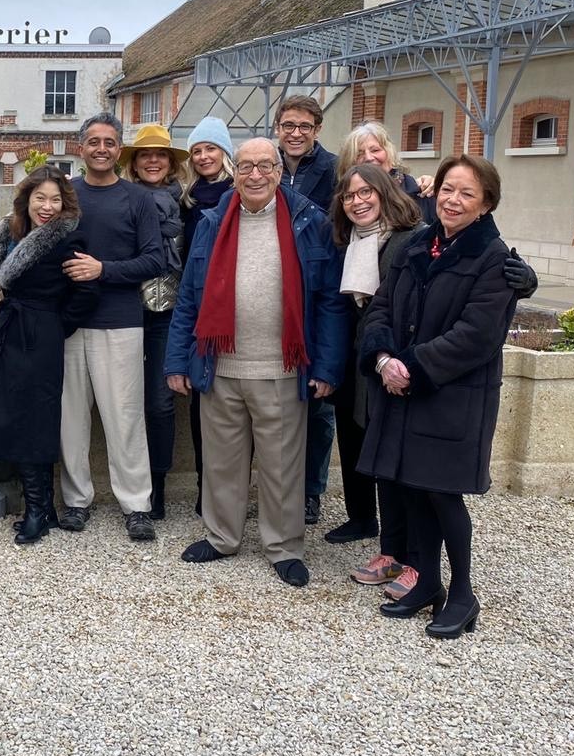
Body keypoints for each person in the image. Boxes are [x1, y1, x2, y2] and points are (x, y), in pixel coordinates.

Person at [165, 138, 350, 588]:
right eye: (246, 166)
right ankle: (222, 536)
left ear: (278, 170)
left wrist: (326, 367)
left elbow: (328, 301)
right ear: (235, 169)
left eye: (264, 165)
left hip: (283, 369)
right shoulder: (212, 221)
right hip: (219, 366)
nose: (255, 175)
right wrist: (176, 360)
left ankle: (284, 547)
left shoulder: (309, 222)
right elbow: (188, 296)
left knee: (282, 465)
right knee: (222, 462)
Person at [358, 153, 519, 638]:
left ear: (486, 203)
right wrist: (385, 359)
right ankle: (426, 582)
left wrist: (414, 366)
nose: (453, 199)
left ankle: (463, 594)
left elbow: (476, 335)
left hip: (453, 397)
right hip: (403, 389)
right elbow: (381, 308)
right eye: (448, 188)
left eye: (467, 193)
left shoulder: (494, 261)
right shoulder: (417, 246)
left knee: (443, 497)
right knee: (411, 488)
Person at [58, 112, 166, 541]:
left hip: (121, 322)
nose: (101, 148)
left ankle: (136, 504)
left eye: (109, 142)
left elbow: (155, 260)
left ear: (119, 150)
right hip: (68, 324)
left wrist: (103, 269)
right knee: (71, 418)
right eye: (93, 141)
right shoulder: (65, 197)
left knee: (125, 418)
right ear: (80, 147)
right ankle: (75, 499)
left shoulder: (137, 199)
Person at [0, 167, 97, 544]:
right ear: (26, 200)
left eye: (55, 199)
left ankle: (36, 510)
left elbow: (85, 292)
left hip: (40, 334)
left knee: (35, 417)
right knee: (12, 412)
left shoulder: (68, 238)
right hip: (12, 332)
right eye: (40, 198)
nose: (47, 207)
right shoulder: (15, 232)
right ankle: (42, 506)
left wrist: (53, 325)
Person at [322, 165, 426, 567]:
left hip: (391, 359)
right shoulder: (350, 241)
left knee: (388, 453)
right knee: (352, 438)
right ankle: (363, 519)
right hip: (355, 354)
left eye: (366, 192)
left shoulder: (408, 240)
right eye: (349, 196)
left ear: (385, 193)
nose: (357, 201)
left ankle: (403, 548)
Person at [273, 95, 340, 527]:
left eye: (305, 126)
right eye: (288, 125)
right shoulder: (265, 166)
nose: (296, 133)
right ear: (277, 127)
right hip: (275, 288)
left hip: (316, 285)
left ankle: (311, 491)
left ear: (317, 129)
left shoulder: (333, 169)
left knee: (317, 405)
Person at [119, 124, 189, 520]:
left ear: (170, 163)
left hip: (169, 314)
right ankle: (133, 485)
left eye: (160, 155)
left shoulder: (187, 203)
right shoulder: (124, 200)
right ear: (134, 162)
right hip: (127, 309)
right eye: (145, 155)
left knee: (161, 404)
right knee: (125, 403)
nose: (152, 161)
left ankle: (158, 485)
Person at [179, 116, 237, 497]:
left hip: (233, 304)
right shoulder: (185, 199)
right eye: (197, 151)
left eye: (210, 148)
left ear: (226, 153)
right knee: (202, 400)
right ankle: (205, 487)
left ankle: (232, 491)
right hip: (197, 303)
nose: (203, 156)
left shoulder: (240, 193)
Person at [336, 121, 436, 225]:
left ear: (389, 152)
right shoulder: (344, 202)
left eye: (375, 150)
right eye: (359, 154)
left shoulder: (422, 194)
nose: (369, 158)